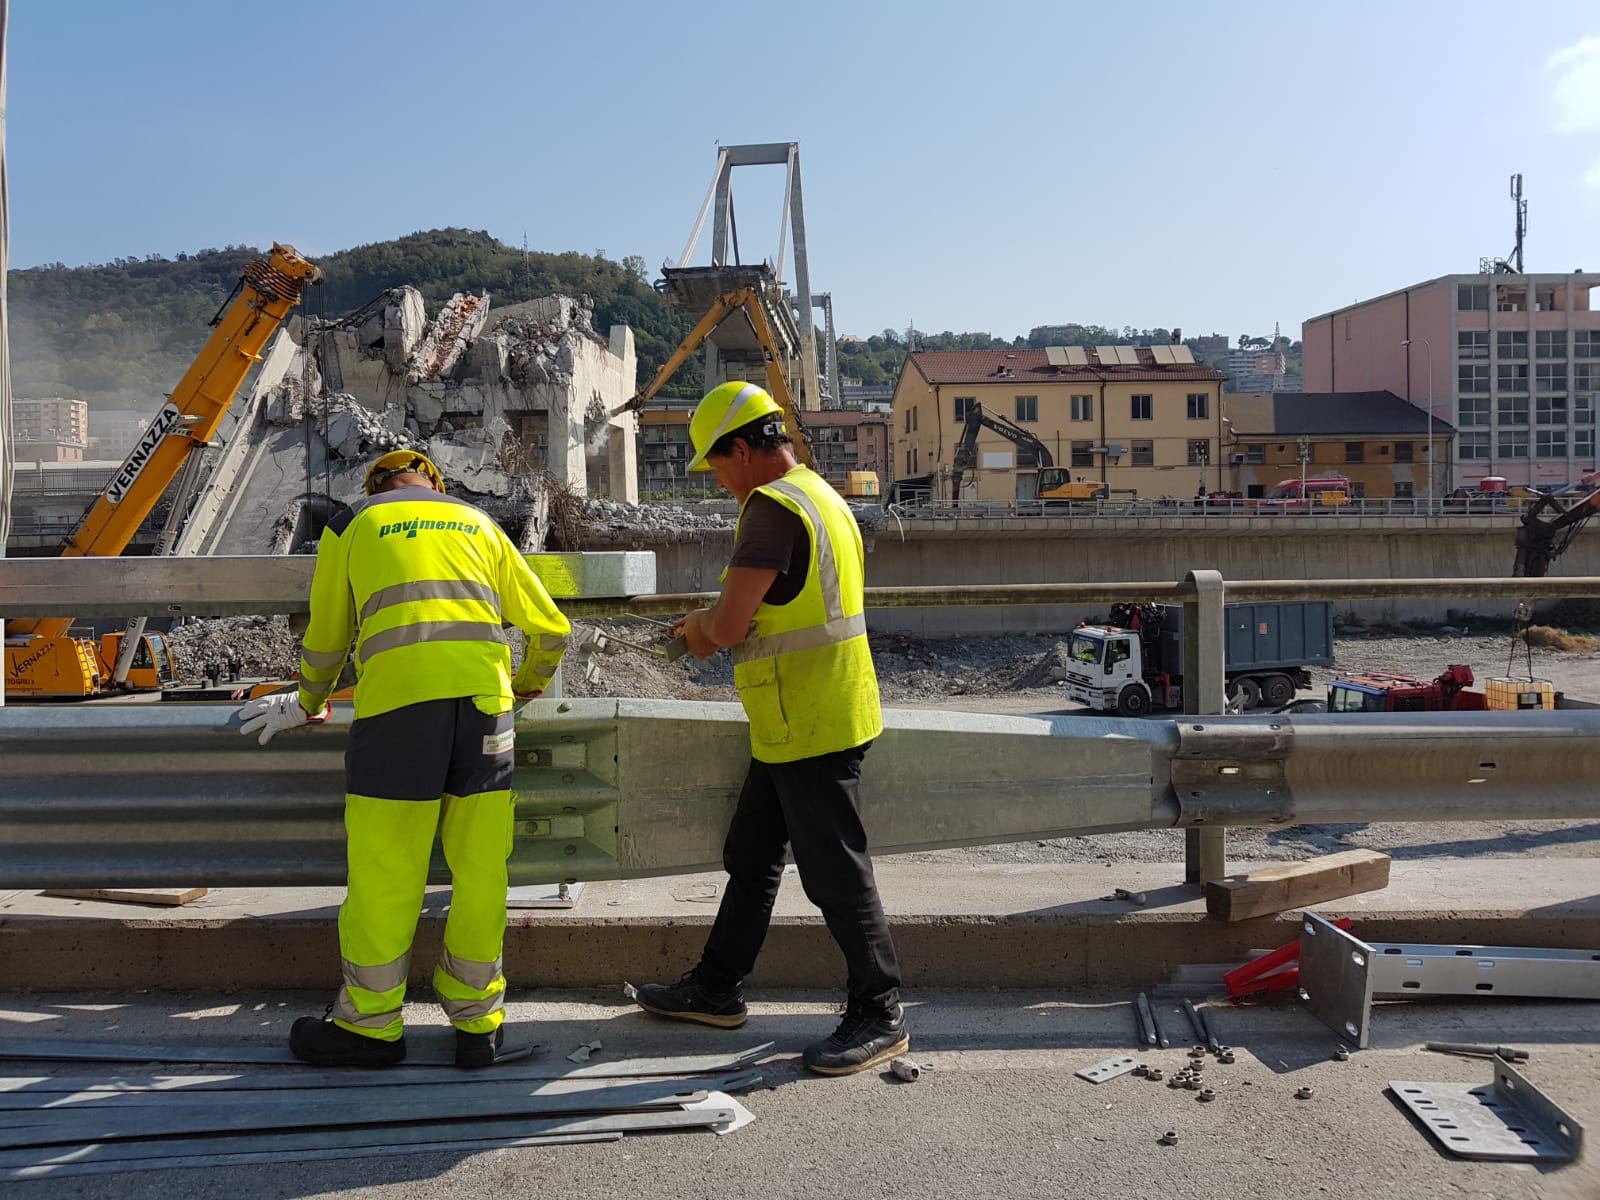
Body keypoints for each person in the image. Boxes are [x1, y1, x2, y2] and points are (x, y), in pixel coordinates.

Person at [237, 449, 569, 1069]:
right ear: (434, 486)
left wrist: (307, 699)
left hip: (397, 714)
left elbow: (328, 634)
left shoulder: (352, 523)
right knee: (480, 869)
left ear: (379, 486)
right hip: (485, 709)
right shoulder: (479, 522)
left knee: (387, 869)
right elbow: (552, 630)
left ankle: (370, 1025)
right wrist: (525, 686)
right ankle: (478, 1024)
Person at [631, 382, 909, 1076]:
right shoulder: (822, 494)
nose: (718, 479)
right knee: (752, 854)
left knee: (835, 873)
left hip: (809, 718)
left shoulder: (769, 509)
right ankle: (717, 986)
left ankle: (879, 1011)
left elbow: (727, 628)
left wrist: (690, 631)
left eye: (717, 464)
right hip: (814, 713)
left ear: (744, 448)